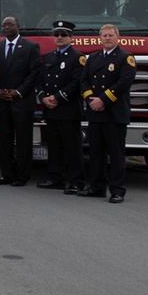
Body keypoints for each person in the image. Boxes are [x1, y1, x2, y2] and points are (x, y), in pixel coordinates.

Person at [79, 24, 136, 203]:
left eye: (111, 35)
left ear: (118, 37)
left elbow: (124, 82)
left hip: (114, 114)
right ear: (100, 38)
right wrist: (91, 100)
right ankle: (97, 187)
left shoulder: (126, 58)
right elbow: (84, 81)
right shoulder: (93, 58)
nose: (107, 38)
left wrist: (102, 100)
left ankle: (118, 190)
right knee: (96, 153)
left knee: (116, 154)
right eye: (104, 35)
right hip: (96, 113)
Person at [0, 16, 41, 187]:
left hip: (22, 102)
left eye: (10, 25)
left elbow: (34, 74)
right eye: (4, 25)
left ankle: (22, 175)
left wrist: (18, 92)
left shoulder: (31, 47)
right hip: (2, 102)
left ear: (18, 26)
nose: (7, 28)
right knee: (4, 140)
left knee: (23, 140)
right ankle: (7, 174)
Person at [36, 20, 86, 194]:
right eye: (56, 35)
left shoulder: (77, 57)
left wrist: (57, 98)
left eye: (63, 35)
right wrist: (43, 97)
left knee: (72, 147)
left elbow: (76, 82)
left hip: (68, 109)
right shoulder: (49, 57)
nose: (59, 38)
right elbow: (41, 80)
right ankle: (56, 177)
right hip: (51, 110)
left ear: (71, 38)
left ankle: (76, 181)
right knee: (54, 146)